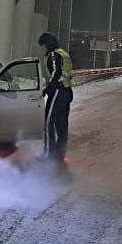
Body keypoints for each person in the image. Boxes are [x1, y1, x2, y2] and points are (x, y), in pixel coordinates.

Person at [38, 32, 73, 168]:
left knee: (48, 123)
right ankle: (60, 155)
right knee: (62, 125)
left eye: (43, 47)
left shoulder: (53, 54)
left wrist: (47, 90)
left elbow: (55, 73)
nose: (43, 50)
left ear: (47, 45)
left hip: (57, 93)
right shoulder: (64, 53)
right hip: (67, 92)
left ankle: (49, 154)